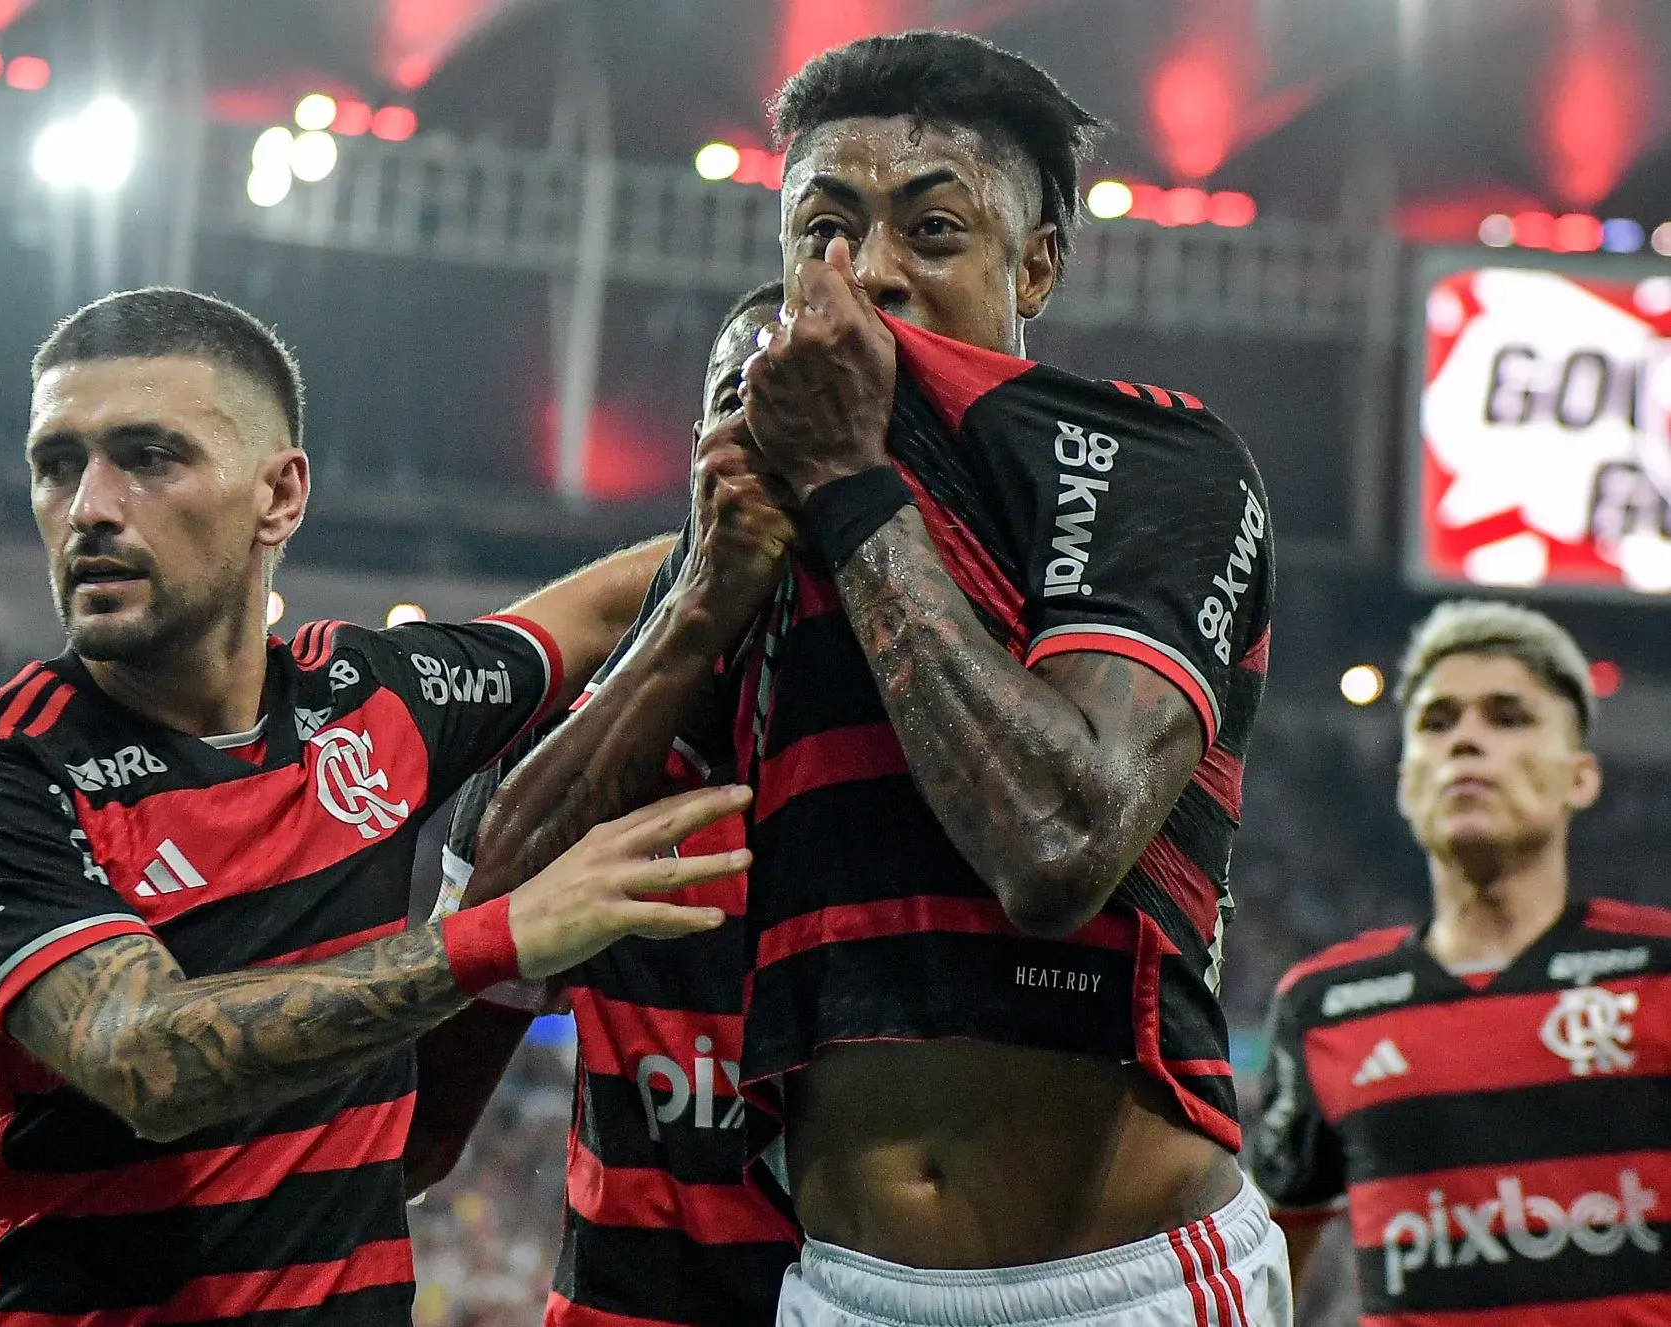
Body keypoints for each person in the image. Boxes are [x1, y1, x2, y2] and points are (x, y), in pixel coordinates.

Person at [468, 31, 1283, 1326]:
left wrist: (853, 484)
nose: (873, 274)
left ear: (1037, 263)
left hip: (1113, 1279)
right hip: (841, 1287)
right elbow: (494, 922)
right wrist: (703, 591)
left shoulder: (1148, 461)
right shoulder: (753, 537)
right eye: (826, 230)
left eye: (934, 229)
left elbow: (1056, 843)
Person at [0, 286, 760, 1326]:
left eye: (148, 457)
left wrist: (780, 509)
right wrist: (496, 937)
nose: (90, 507)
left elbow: (619, 599)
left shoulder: (373, 699)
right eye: (57, 464)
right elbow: (149, 1056)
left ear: (280, 495)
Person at [414, 282, 805, 1327]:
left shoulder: (960, 733)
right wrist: (698, 605)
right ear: (693, 449)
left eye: (815, 415)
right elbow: (419, 1134)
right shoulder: (558, 746)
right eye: (741, 404)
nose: (772, 450)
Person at [1253, 601, 1671, 1325]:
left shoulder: (1659, 971)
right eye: (1437, 722)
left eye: (1508, 717)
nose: (1467, 741)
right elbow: (1264, 1280)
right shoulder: (1323, 1005)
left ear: (1581, 776)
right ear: (1406, 781)